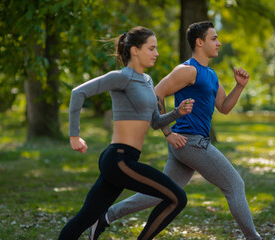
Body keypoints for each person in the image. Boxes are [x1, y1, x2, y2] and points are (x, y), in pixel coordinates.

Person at [90, 21, 262, 240]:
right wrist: (168, 132)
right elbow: (156, 93)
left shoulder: (210, 75)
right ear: (199, 42)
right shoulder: (187, 70)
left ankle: (103, 217)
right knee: (235, 184)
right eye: (214, 38)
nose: (219, 43)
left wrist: (240, 86)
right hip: (191, 143)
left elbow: (225, 107)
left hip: (187, 146)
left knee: (157, 195)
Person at [57, 26, 195, 240]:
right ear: (135, 50)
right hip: (119, 159)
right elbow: (78, 92)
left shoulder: (148, 81)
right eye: (151, 48)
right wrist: (74, 136)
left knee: (85, 218)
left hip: (124, 160)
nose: (156, 53)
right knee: (177, 198)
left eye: (156, 48)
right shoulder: (121, 77)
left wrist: (177, 112)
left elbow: (155, 123)